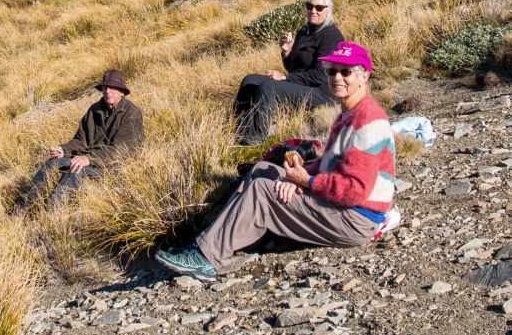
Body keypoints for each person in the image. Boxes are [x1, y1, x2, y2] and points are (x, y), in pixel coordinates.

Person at [157, 42, 396, 281]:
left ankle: (206, 258)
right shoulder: (349, 114)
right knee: (263, 170)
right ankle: (216, 239)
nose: (337, 78)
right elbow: (331, 164)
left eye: (346, 72)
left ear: (364, 76)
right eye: (332, 71)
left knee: (263, 190)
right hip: (344, 208)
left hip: (356, 219)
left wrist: (307, 181)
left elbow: (353, 191)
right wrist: (298, 175)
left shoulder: (367, 123)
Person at [234, 0, 344, 144]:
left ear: (328, 11)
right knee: (250, 81)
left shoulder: (331, 36)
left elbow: (319, 75)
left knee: (269, 88)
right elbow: (294, 68)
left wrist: (284, 78)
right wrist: (287, 53)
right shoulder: (304, 32)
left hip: (322, 93)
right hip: (302, 85)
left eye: (319, 8)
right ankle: (238, 127)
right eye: (309, 6)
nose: (313, 11)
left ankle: (254, 139)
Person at [20, 69, 144, 207]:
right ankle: (23, 206)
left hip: (113, 166)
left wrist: (89, 158)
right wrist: (64, 150)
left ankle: (54, 213)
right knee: (52, 163)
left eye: (113, 88)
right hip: (89, 160)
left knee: (76, 171)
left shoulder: (132, 113)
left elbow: (122, 151)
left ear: (122, 91)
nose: (108, 91)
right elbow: (80, 140)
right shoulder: (95, 109)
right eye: (105, 87)